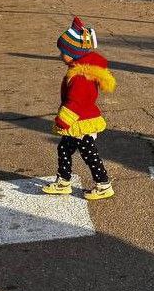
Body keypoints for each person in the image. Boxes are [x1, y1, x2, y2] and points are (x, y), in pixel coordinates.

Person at [42, 16, 116, 200]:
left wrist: (63, 119)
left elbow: (76, 101)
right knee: (64, 149)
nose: (60, 55)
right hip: (79, 120)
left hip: (80, 121)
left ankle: (103, 184)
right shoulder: (79, 70)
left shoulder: (81, 76)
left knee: (88, 153)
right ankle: (63, 181)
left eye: (62, 52)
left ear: (73, 53)